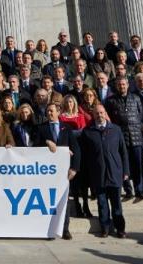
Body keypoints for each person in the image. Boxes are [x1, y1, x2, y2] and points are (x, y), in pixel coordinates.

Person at [77, 105, 129, 238]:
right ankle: (105, 228)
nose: (99, 115)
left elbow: (123, 152)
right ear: (93, 115)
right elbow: (83, 154)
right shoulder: (88, 132)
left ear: (105, 113)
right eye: (96, 113)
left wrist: (126, 171)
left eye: (101, 112)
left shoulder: (116, 130)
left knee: (117, 204)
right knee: (102, 204)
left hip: (115, 173)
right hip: (98, 174)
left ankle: (120, 229)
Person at [37, 102, 82, 239]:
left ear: (58, 112)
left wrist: (74, 168)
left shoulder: (67, 128)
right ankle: (49, 230)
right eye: (48, 111)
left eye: (52, 111)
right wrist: (46, 142)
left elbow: (76, 149)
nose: (49, 113)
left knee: (64, 201)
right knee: (47, 201)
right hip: (47, 172)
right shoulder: (41, 128)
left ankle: (65, 229)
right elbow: (34, 148)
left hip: (64, 173)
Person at [106, 76, 143, 200]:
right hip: (120, 138)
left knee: (138, 165)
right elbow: (109, 120)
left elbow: (140, 115)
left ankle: (139, 189)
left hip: (136, 137)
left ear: (128, 85)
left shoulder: (136, 98)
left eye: (123, 84)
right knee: (123, 165)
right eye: (119, 85)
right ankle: (128, 189)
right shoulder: (111, 101)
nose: (122, 86)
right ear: (116, 86)